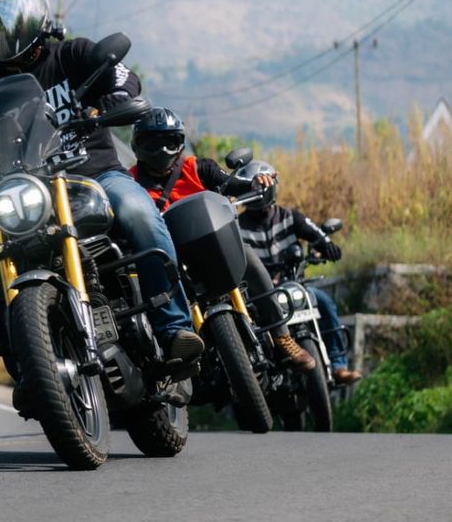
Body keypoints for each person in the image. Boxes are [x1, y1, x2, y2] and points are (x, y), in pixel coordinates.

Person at [0, 0, 205, 395]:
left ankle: (172, 327)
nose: (0, 31)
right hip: (31, 195)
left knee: (139, 211)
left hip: (97, 174)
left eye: (6, 17)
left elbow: (122, 77)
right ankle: (29, 369)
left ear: (33, 14)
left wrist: (116, 100)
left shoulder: (74, 55)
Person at [129, 107, 315, 372]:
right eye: (152, 141)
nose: (161, 149)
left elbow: (230, 183)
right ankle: (170, 357)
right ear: (138, 146)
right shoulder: (130, 182)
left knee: (249, 258)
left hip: (214, 246)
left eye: (168, 141)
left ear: (179, 143)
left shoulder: (197, 167)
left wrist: (254, 183)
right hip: (172, 260)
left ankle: (282, 337)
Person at [233, 160, 362, 385]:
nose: (258, 195)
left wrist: (327, 246)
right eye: (251, 190)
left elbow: (316, 233)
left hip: (292, 283)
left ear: (272, 187)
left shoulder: (289, 216)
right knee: (246, 324)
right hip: (259, 295)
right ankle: (254, 376)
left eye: (262, 188)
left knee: (324, 302)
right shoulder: (237, 227)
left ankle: (339, 366)